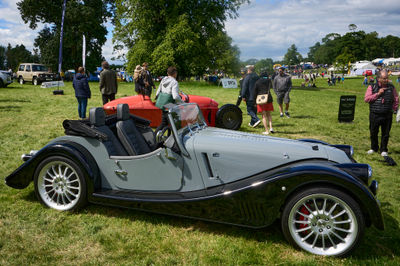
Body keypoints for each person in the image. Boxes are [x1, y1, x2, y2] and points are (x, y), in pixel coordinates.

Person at [364, 69, 399, 156]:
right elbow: (367, 99)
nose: (386, 80)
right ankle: (374, 148)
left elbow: (396, 99)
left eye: (387, 78)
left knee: (386, 133)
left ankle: (384, 149)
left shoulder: (391, 87)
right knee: (373, 132)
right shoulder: (372, 87)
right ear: (379, 78)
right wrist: (377, 94)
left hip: (387, 114)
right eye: (384, 78)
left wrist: (393, 109)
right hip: (375, 114)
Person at [155, 66, 183, 132]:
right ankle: (175, 139)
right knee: (176, 124)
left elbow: (158, 92)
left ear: (168, 73)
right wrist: (182, 102)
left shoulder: (164, 80)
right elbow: (175, 96)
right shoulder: (174, 82)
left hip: (163, 104)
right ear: (175, 73)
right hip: (171, 104)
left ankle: (155, 135)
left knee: (164, 123)